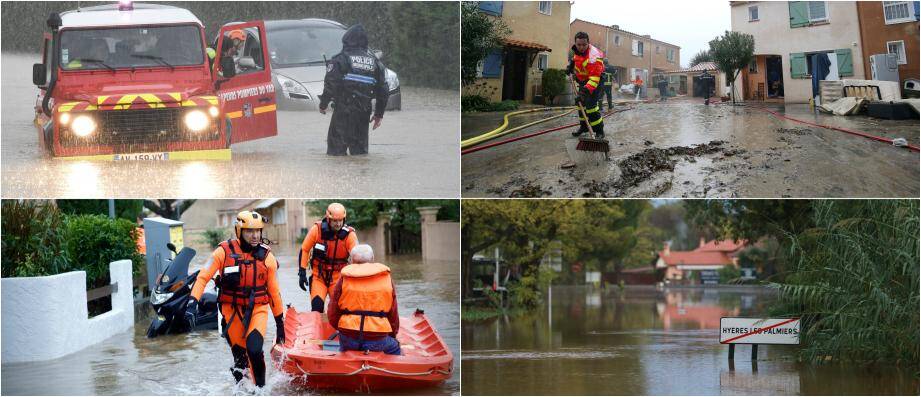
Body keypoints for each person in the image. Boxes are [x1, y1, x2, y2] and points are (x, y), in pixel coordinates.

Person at [186, 211, 285, 388]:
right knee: (240, 360)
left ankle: (261, 390)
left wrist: (280, 323)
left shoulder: (268, 258)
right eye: (249, 231)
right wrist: (192, 303)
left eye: (258, 231)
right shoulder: (222, 252)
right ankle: (241, 389)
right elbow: (203, 277)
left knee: (254, 350)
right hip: (231, 310)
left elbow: (274, 292)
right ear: (239, 231)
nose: (255, 236)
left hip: (258, 309)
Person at [318, 24, 390, 156]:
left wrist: (323, 104)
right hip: (363, 115)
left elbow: (330, 85)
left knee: (336, 155)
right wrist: (379, 114)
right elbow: (383, 91)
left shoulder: (340, 60)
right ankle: (360, 176)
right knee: (360, 156)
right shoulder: (376, 64)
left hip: (342, 113)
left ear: (346, 41)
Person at [327, 244, 401, 355]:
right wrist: (392, 335)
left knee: (344, 346)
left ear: (352, 260)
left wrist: (342, 329)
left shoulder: (343, 279)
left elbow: (332, 312)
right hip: (377, 337)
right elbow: (393, 313)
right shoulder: (386, 278)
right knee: (395, 348)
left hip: (348, 336)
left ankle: (343, 359)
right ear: (372, 258)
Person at [298, 203, 358, 312]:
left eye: (340, 220)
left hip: (338, 277)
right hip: (319, 276)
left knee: (339, 309)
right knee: (317, 307)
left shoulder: (349, 235)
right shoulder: (317, 229)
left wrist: (356, 278)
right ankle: (318, 325)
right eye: (335, 221)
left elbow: (357, 256)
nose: (338, 224)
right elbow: (305, 249)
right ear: (328, 219)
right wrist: (302, 272)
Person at [566, 31, 606, 139]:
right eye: (579, 44)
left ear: (588, 43)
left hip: (596, 81)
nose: (581, 47)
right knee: (581, 105)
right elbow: (576, 59)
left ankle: (599, 131)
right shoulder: (576, 51)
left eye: (584, 45)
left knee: (591, 107)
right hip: (583, 80)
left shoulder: (594, 56)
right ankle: (584, 127)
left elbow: (594, 79)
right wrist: (570, 66)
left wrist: (583, 92)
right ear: (575, 43)